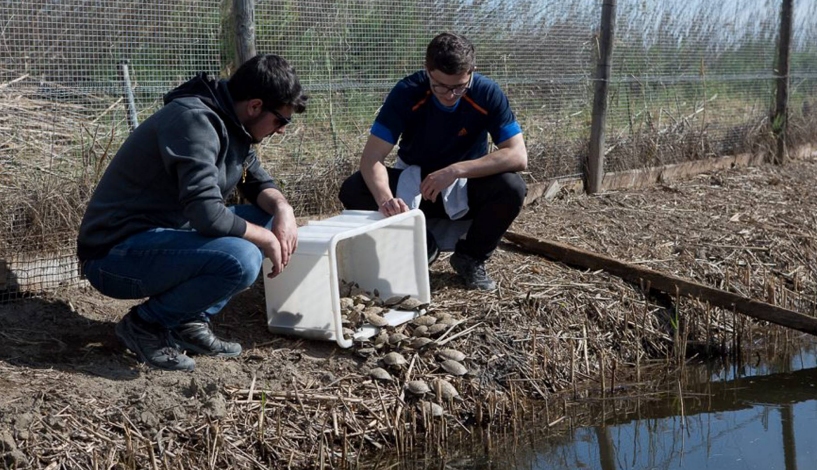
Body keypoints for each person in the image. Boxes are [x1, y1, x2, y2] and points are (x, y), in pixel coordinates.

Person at [77, 54, 308, 371]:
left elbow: (257, 182)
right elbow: (207, 214)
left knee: (268, 220)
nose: (280, 130)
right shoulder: (193, 120)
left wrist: (283, 209)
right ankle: (146, 325)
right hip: (114, 255)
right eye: (280, 121)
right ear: (255, 106)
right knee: (243, 257)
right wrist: (264, 238)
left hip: (163, 240)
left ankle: (187, 322)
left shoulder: (233, 123)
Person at [338, 32, 527, 291]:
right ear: (428, 71)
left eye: (459, 86)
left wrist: (456, 170)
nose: (450, 95)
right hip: (416, 188)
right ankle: (418, 244)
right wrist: (386, 200)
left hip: (465, 183)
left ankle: (470, 258)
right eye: (440, 86)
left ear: (472, 71)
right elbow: (372, 157)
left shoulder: (487, 93)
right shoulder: (407, 92)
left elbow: (517, 155)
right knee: (354, 187)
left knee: (512, 187)